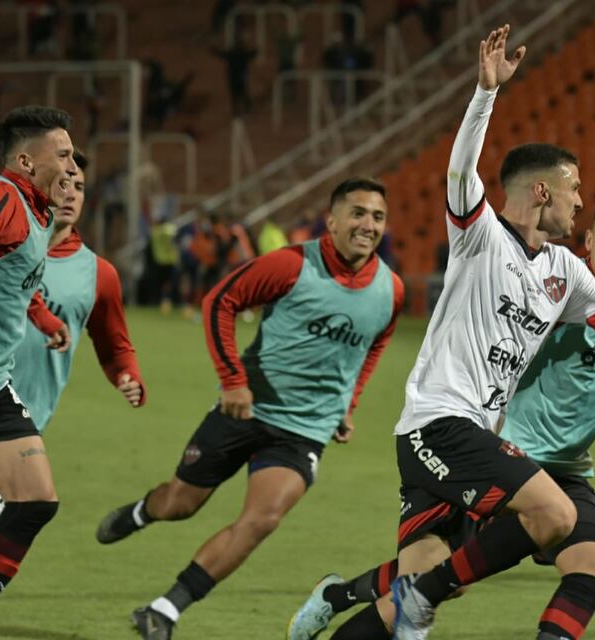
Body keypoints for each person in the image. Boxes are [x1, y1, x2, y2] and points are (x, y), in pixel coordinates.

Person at [369, 26, 595, 640]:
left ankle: (378, 600)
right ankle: (415, 598)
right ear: (542, 192)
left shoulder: (562, 269)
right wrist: (485, 94)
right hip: (441, 421)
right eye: (575, 192)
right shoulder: (479, 236)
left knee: (498, 562)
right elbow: (461, 171)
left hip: (481, 435)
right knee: (540, 520)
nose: (580, 203)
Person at [287, 188, 595, 639]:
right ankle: (344, 598)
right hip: (502, 455)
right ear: (588, 241)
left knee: (592, 568)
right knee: (432, 579)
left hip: (565, 468)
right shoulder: (556, 288)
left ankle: (342, 597)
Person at [94, 178, 405, 639]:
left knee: (262, 519)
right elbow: (220, 301)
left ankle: (165, 609)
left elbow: (374, 344)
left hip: (305, 430)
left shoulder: (391, 290)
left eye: (377, 217)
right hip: (246, 409)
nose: (368, 224)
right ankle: (144, 511)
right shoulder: (292, 264)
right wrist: (233, 382)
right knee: (181, 504)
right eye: (357, 213)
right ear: (333, 219)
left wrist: (348, 404)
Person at [0, 105, 76, 604]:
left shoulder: (35, 211)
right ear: (26, 161)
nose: (70, 166)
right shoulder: (2, 197)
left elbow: (13, 277)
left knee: (35, 501)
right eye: (62, 155)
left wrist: (43, 318)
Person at [11, 149, 146, 431]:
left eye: (79, 186)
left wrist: (129, 376)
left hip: (27, 421)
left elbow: (115, 348)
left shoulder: (99, 274)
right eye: (62, 183)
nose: (70, 193)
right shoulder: (3, 247)